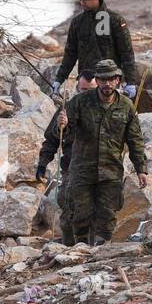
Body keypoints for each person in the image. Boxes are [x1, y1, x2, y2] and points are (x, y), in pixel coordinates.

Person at [60, 59, 148, 245]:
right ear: (97, 80)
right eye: (103, 79)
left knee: (107, 216)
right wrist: (63, 125)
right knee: (80, 215)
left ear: (117, 80)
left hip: (111, 173)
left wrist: (141, 169)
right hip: (83, 171)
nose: (107, 84)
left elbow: (135, 141)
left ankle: (101, 252)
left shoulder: (126, 106)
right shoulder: (80, 102)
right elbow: (61, 133)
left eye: (111, 79)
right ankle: (81, 252)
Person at [36, 70, 96, 245]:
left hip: (98, 170)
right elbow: (51, 140)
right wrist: (42, 164)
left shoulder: (106, 110)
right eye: (83, 90)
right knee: (68, 209)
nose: (86, 94)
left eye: (90, 90)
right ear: (77, 88)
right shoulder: (66, 110)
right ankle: (68, 250)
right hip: (71, 169)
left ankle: (92, 252)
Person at [54, 0, 138, 98]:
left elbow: (127, 53)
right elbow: (70, 53)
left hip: (109, 80)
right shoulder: (77, 22)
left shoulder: (115, 20)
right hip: (86, 80)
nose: (82, 2)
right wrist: (59, 79)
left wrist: (131, 82)